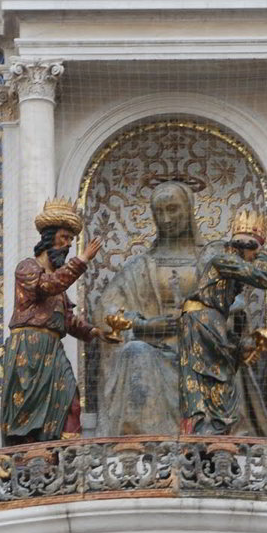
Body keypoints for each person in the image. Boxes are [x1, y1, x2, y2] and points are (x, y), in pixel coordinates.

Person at [94, 182, 202, 435]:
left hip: (201, 349)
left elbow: (231, 302)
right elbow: (106, 313)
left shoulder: (209, 259)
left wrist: (201, 323)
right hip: (154, 349)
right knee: (135, 352)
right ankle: (144, 441)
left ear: (189, 210)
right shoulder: (139, 267)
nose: (166, 219)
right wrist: (144, 326)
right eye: (159, 212)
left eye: (173, 209)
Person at [178, 209, 267, 436]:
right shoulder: (223, 260)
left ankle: (212, 432)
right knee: (212, 377)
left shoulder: (228, 263)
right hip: (202, 322)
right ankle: (205, 431)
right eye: (255, 252)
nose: (255, 257)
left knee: (219, 378)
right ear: (245, 247)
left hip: (208, 322)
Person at [1, 197, 106, 444]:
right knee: (28, 410)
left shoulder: (59, 284)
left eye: (71, 240)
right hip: (29, 347)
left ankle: (65, 456)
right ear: (49, 238)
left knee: (71, 401)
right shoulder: (27, 267)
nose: (68, 245)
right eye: (64, 238)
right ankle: (30, 462)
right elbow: (47, 286)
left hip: (53, 350)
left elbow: (68, 320)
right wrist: (82, 260)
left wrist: (95, 332)